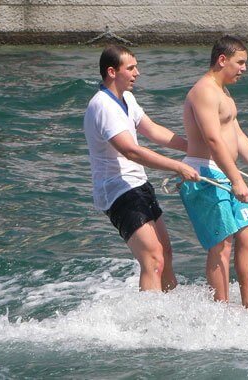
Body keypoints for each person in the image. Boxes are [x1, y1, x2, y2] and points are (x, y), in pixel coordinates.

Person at [179, 36, 248, 314]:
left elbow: (237, 135)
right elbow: (213, 139)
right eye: (241, 62)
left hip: (226, 173)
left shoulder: (224, 92)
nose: (244, 69)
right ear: (222, 60)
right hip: (206, 175)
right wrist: (236, 179)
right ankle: (221, 311)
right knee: (222, 244)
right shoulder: (204, 91)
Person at [83, 45, 199, 292]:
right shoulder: (102, 106)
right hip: (116, 192)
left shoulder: (127, 98)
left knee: (165, 253)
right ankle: (151, 322)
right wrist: (178, 167)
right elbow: (130, 151)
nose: (138, 73)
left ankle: (170, 308)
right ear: (112, 72)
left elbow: (154, 130)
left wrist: (193, 149)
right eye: (131, 68)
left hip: (137, 185)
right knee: (153, 258)